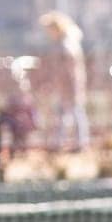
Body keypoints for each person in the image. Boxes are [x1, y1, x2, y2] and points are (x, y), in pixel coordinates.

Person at [36, 11, 90, 152]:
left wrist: (68, 85)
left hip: (69, 86)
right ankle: (66, 142)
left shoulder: (66, 45)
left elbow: (68, 69)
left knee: (75, 112)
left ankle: (79, 143)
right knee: (68, 113)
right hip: (65, 85)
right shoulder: (64, 43)